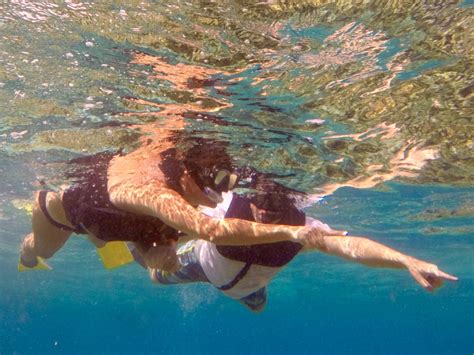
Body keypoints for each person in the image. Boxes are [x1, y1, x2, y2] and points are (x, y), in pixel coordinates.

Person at [19, 120, 335, 272]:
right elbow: (210, 231)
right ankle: (27, 253)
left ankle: (100, 240)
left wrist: (157, 257)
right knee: (42, 253)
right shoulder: (149, 190)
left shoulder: (180, 203)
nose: (220, 193)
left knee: (111, 242)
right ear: (185, 172)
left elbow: (150, 252)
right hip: (62, 214)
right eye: (211, 181)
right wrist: (293, 232)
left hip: (110, 222)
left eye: (226, 181)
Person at [146, 187, 458, 312]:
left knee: (258, 308)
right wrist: (160, 247)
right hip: (201, 263)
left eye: (276, 207)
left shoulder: (304, 228)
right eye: (257, 202)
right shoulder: (224, 207)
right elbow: (173, 211)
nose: (264, 210)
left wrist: (405, 260)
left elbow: (351, 246)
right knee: (155, 276)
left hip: (249, 291)